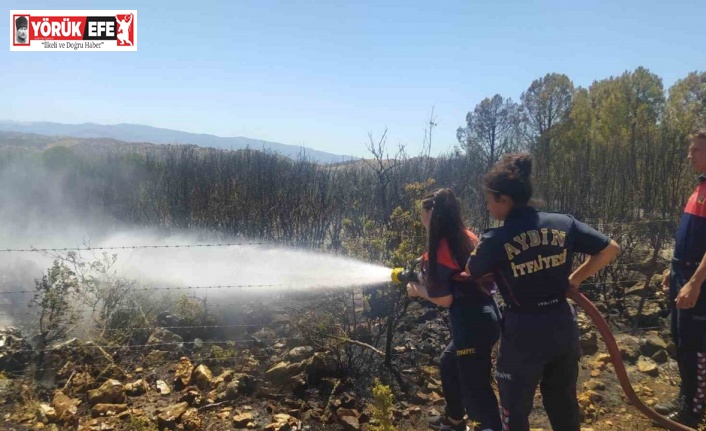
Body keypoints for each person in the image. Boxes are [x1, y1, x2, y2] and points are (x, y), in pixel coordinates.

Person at [465, 154, 620, 431]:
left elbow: (472, 269)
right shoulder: (563, 223)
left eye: (489, 200)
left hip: (523, 333)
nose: (488, 207)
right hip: (562, 324)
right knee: (564, 404)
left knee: (514, 409)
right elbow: (610, 249)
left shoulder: (495, 239)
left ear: (504, 199)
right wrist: (575, 279)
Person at [406, 188, 502, 431]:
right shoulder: (467, 236)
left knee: (476, 390)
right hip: (489, 315)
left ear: (430, 213)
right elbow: (461, 275)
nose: (420, 218)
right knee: (449, 363)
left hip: (470, 325)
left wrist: (418, 291)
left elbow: (445, 299)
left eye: (422, 213)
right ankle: (454, 420)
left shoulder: (438, 250)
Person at [654, 128, 706, 427]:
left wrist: (695, 281)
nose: (690, 154)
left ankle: (692, 412)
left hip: (698, 281)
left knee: (696, 346)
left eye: (696, 149)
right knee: (682, 341)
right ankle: (686, 398)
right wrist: (671, 270)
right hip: (682, 272)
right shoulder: (700, 187)